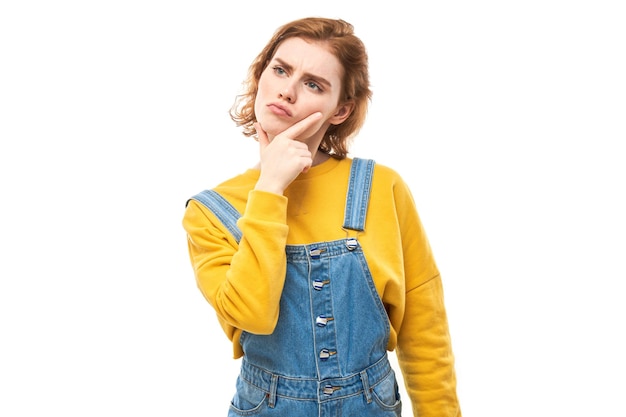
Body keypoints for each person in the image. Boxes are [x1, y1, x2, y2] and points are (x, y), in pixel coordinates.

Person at [182, 17, 462, 417]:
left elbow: (424, 328)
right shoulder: (211, 211)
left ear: (340, 110)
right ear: (261, 76)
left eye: (313, 84)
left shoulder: (381, 187)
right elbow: (253, 316)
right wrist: (270, 189)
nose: (287, 90)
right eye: (280, 70)